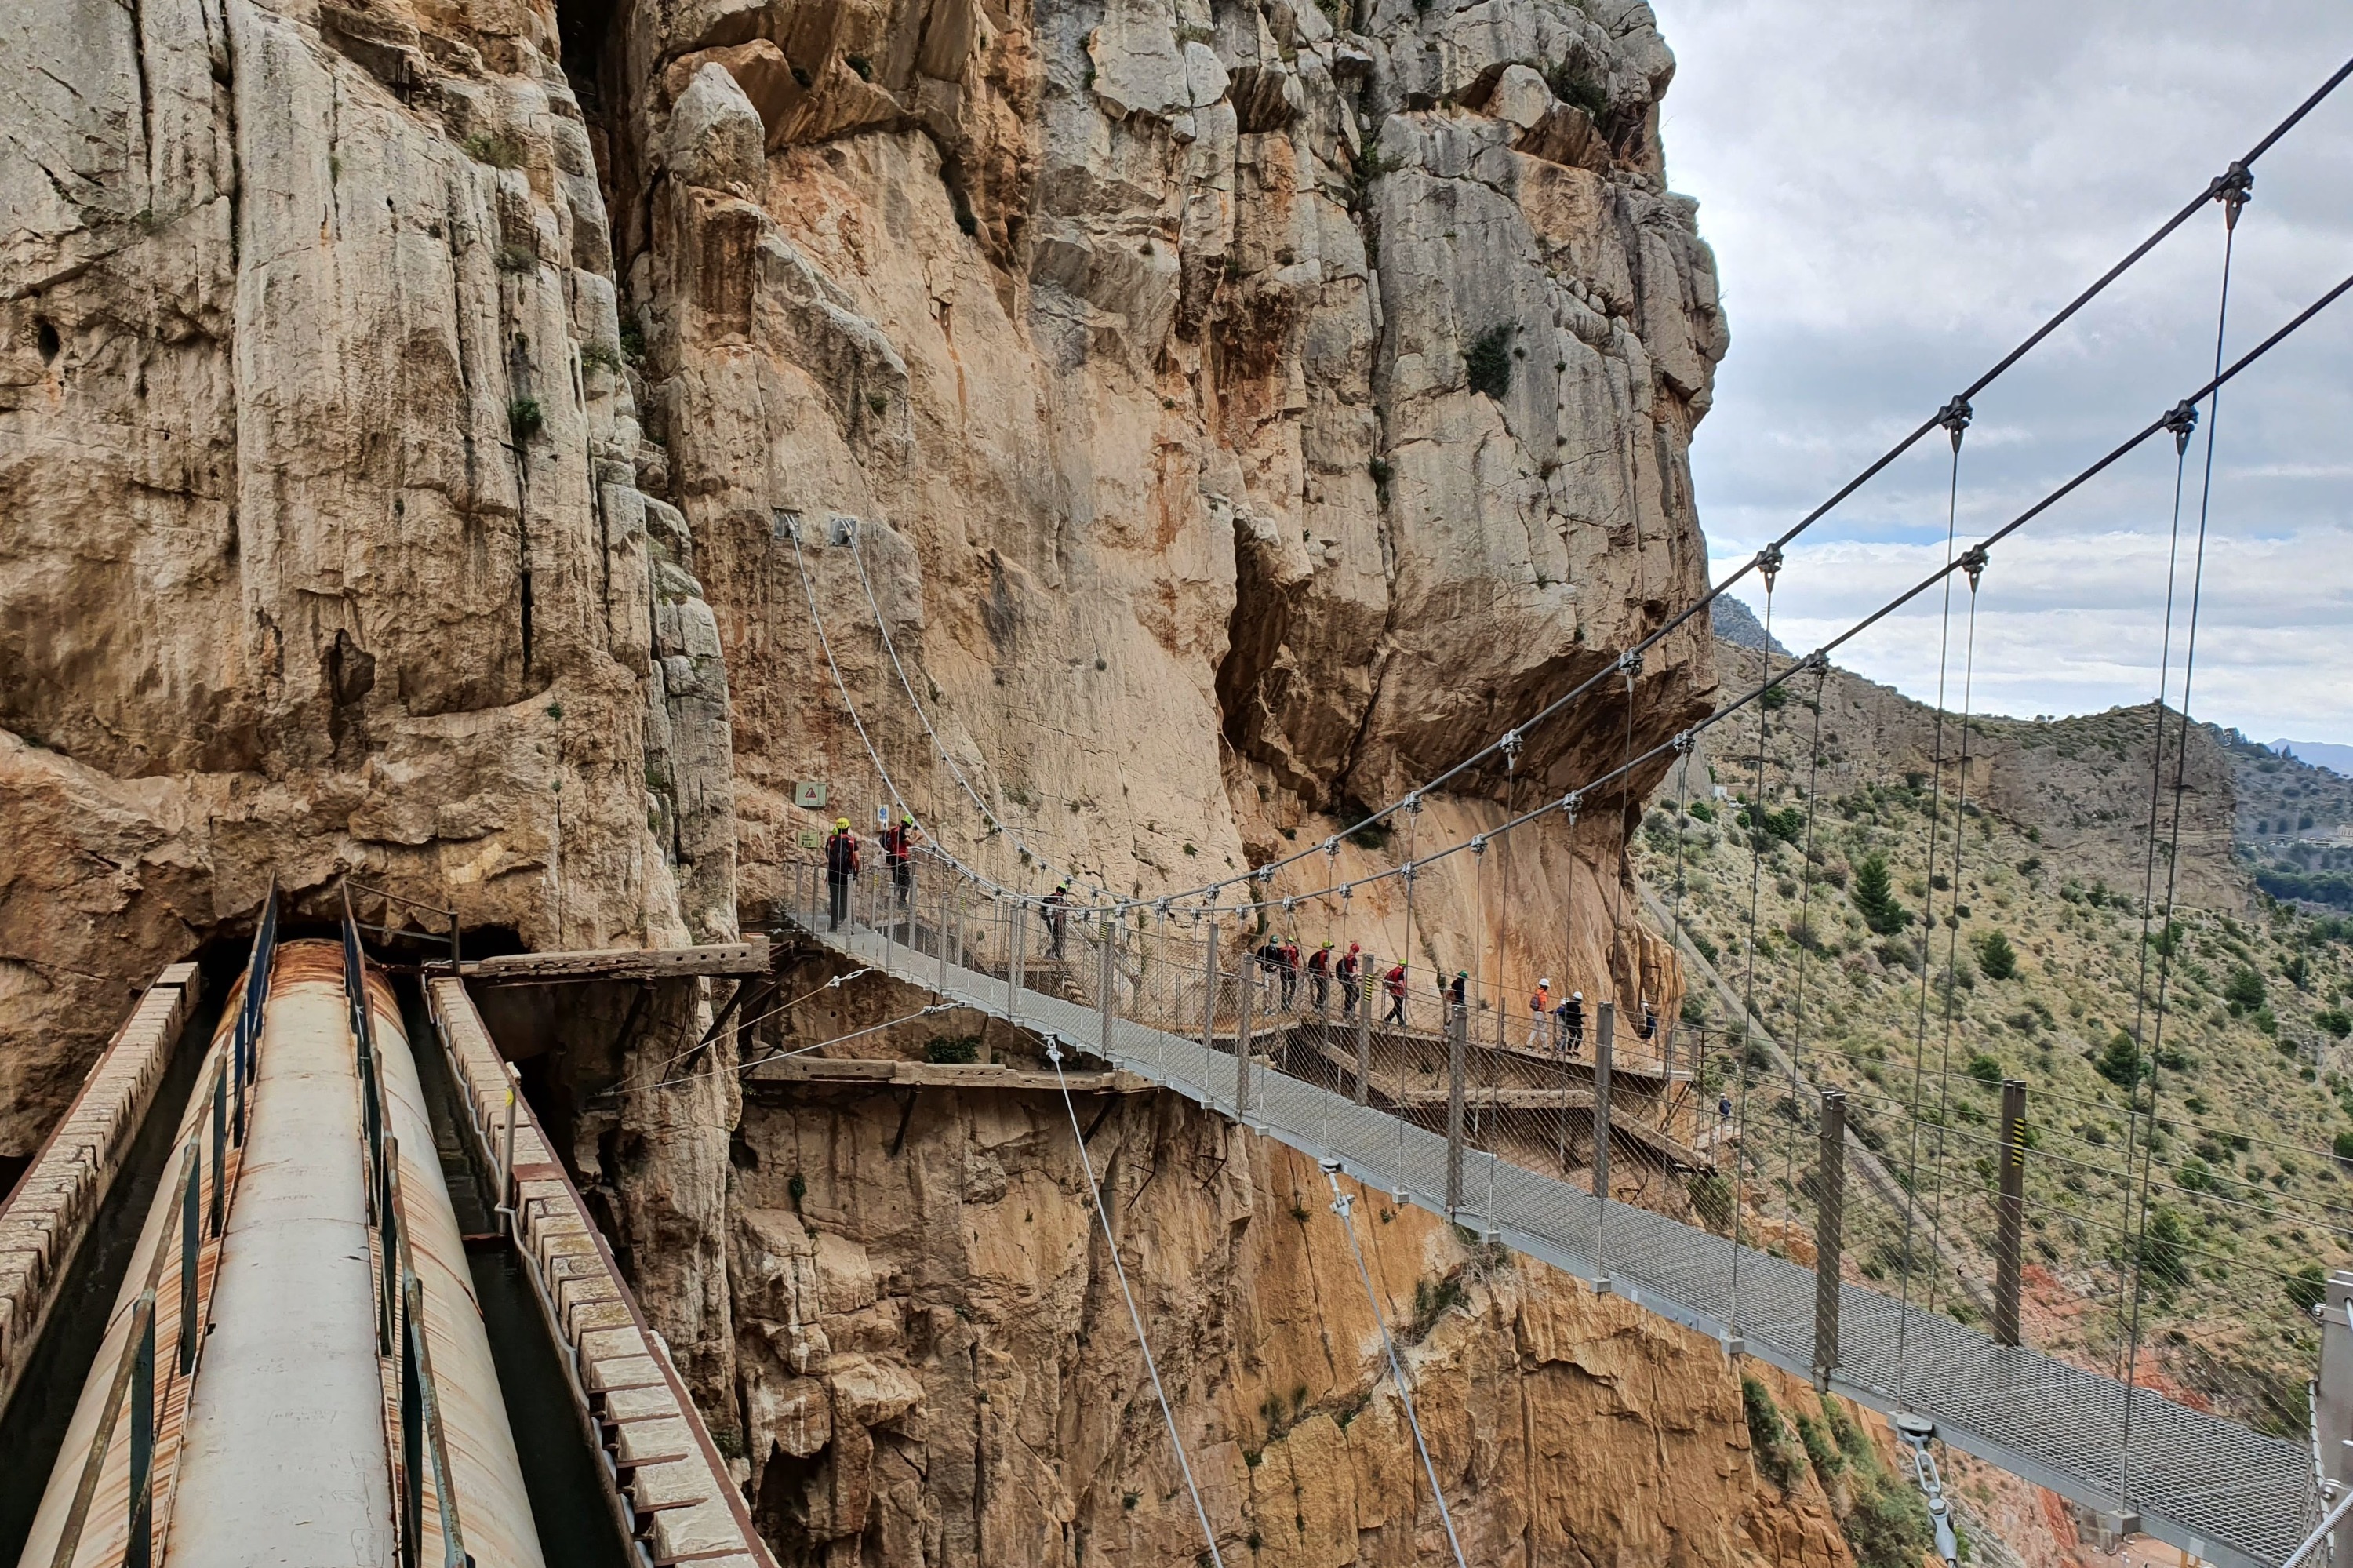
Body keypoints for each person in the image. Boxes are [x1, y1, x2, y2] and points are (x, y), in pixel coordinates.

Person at [824, 817, 859, 931]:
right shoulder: (852, 840)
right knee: (847, 898)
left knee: (834, 899)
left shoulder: (831, 839)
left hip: (833, 873)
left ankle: (834, 925)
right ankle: (850, 925)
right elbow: (857, 859)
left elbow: (828, 855)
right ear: (847, 828)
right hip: (847, 874)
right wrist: (856, 871)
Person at [882, 813, 917, 907]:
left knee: (896, 881)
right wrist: (918, 837)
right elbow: (911, 843)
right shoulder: (900, 832)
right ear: (907, 825)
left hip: (893, 858)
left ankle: (888, 902)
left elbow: (900, 842)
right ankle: (902, 902)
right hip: (900, 859)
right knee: (906, 881)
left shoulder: (893, 830)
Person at [1043, 880, 1071, 958]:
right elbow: (1046, 906)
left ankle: (1054, 954)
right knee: (1059, 939)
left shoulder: (1056, 898)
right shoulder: (1053, 898)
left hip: (1059, 922)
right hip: (1054, 921)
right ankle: (1055, 954)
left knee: (1060, 939)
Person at [1336, 942, 1362, 1017]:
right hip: (1350, 981)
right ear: (1356, 951)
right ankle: (1348, 1010)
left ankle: (1346, 1012)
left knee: (1348, 995)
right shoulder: (1353, 960)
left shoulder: (1345, 957)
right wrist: (1358, 977)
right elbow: (1353, 972)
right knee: (1356, 994)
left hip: (1344, 979)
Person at [1307, 941, 1333, 1013]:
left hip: (1316, 975)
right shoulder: (1325, 955)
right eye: (1331, 948)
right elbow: (1326, 966)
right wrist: (1330, 975)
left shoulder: (1319, 953)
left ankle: (1318, 1007)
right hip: (1321, 976)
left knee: (1321, 992)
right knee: (1324, 992)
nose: (1331, 949)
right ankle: (1318, 1008)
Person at [1527, 977, 1552, 1049]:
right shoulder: (1543, 994)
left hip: (1535, 1012)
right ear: (1545, 986)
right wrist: (1545, 1015)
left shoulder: (1536, 991)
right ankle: (1545, 1045)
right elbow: (1543, 1005)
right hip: (1540, 1013)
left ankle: (1529, 1043)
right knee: (1543, 1028)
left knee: (1535, 1028)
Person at [1559, 989, 1586, 1056]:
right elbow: (1576, 1015)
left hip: (1569, 1023)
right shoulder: (1577, 1008)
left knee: (1572, 1036)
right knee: (1579, 1036)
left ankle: (1569, 1050)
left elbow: (1568, 1014)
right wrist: (1584, 1015)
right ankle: (1574, 1049)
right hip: (1575, 1024)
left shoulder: (1568, 1005)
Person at [1278, 936, 1301, 1010]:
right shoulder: (1295, 950)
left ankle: (1283, 1004)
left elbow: (1279, 960)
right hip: (1292, 970)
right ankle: (1288, 1002)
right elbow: (1297, 960)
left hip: (1283, 971)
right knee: (1293, 987)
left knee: (1284, 988)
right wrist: (1297, 966)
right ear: (1291, 942)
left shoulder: (1281, 950)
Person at [1383, 961, 1408, 1026]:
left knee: (1397, 1007)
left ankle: (1387, 1020)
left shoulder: (1394, 970)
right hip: (1398, 992)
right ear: (1404, 966)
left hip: (1393, 991)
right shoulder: (1400, 973)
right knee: (1398, 1007)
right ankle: (1400, 1023)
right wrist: (1405, 991)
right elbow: (1401, 983)